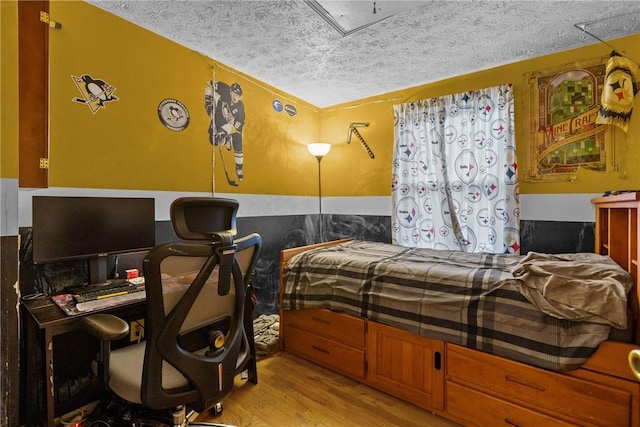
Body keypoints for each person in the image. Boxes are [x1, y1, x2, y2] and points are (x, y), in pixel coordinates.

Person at [205, 81, 246, 182]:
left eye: (238, 95)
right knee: (214, 141)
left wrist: (224, 131)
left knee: (237, 143)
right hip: (219, 119)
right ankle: (226, 139)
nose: (235, 97)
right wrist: (208, 102)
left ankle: (239, 168)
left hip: (233, 126)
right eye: (234, 93)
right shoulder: (223, 88)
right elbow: (208, 85)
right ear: (230, 92)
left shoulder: (240, 107)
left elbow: (237, 125)